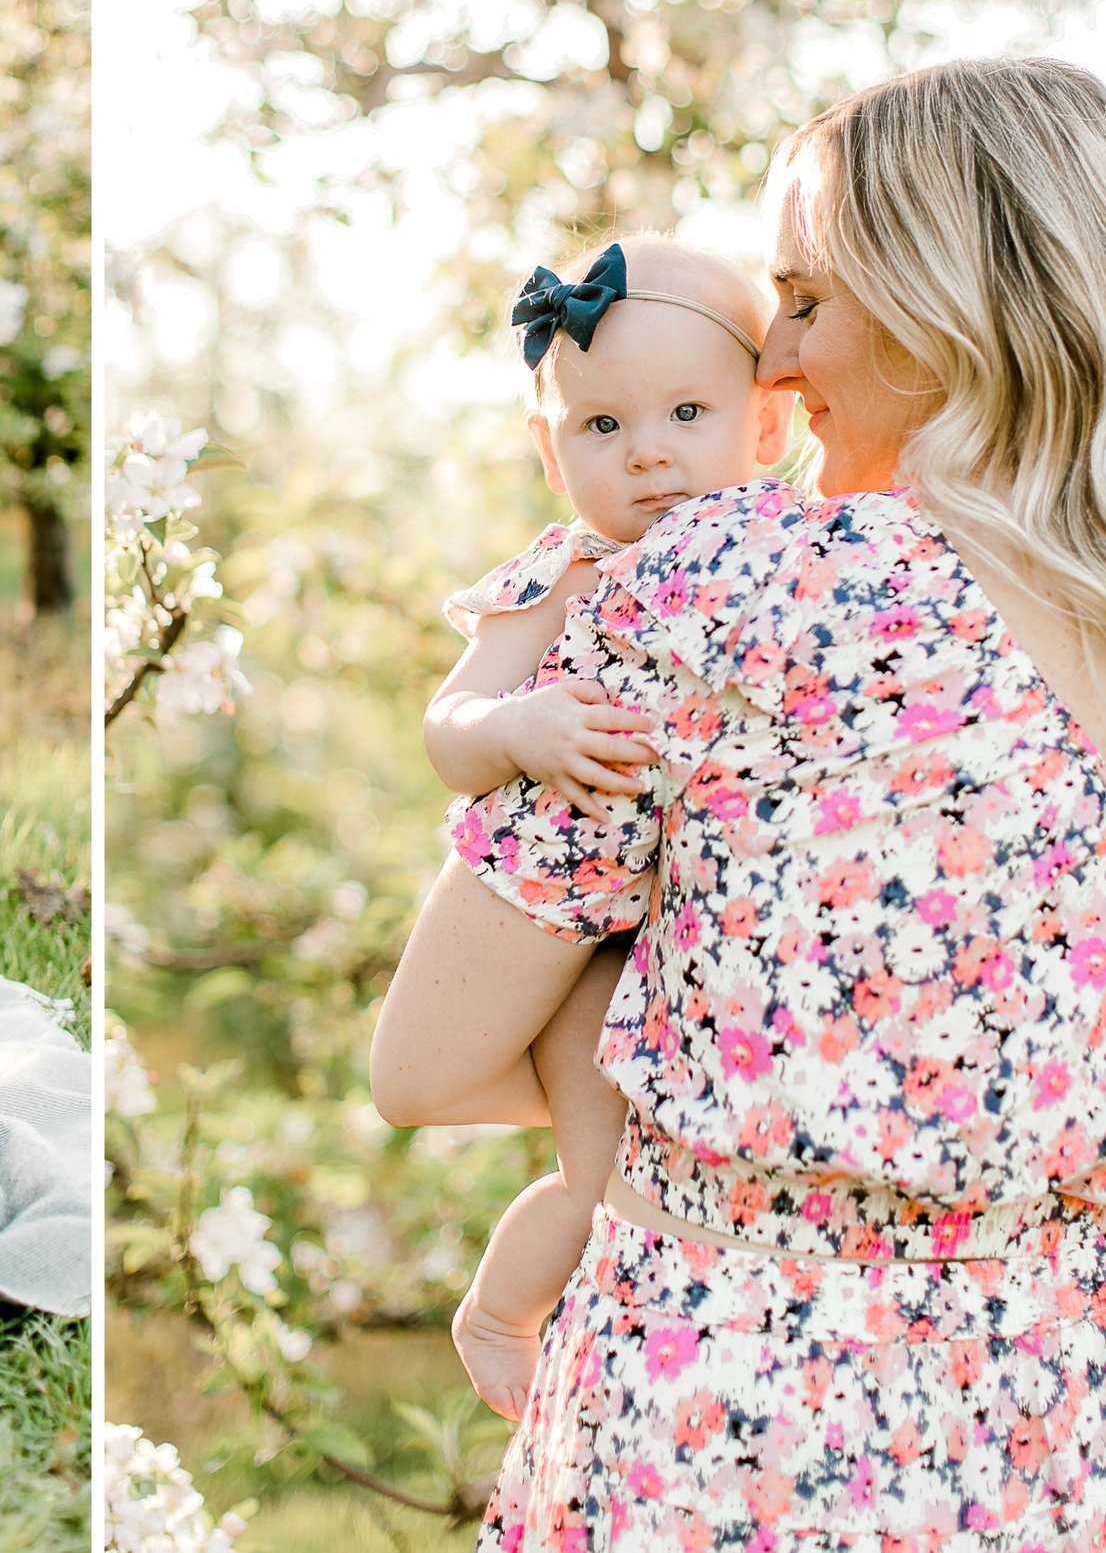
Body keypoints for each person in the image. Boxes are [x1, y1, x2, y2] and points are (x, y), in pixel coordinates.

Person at [373, 57, 1106, 1549]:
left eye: (807, 303)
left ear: (951, 308)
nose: (774, 370)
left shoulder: (733, 583)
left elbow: (426, 1061)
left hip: (739, 1420)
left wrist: (712, 1054)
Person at [421, 237, 793, 1419]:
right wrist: (517, 726)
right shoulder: (566, 573)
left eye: (688, 412)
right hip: (576, 937)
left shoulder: (799, 553)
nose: (647, 453)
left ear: (766, 427)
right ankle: (497, 1312)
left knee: (682, 1166)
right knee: (604, 1176)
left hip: (700, 921)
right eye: (600, 427)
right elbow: (448, 725)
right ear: (551, 450)